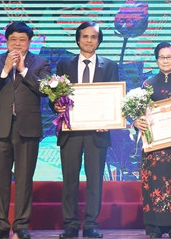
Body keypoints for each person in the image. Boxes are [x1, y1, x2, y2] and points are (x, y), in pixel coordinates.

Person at [0, 21, 51, 239]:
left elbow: (45, 90)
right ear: (7, 41)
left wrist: (23, 70)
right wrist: (5, 71)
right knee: (0, 179)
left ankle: (21, 224)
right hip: (0, 128)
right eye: (13, 39)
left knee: (24, 178)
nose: (17, 44)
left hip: (27, 128)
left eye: (22, 40)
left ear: (30, 42)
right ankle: (1, 224)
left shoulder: (40, 62)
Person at [55, 21, 119, 239]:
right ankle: (71, 224)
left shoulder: (109, 66)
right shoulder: (64, 65)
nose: (89, 40)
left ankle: (91, 224)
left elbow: (114, 98)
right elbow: (55, 97)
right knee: (69, 179)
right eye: (85, 36)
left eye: (94, 37)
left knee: (95, 180)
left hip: (97, 133)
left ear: (99, 41)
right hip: (70, 131)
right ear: (78, 39)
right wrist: (56, 105)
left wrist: (109, 119)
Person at [133, 42, 171, 238]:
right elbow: (139, 113)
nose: (165, 61)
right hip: (154, 147)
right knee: (155, 184)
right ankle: (154, 227)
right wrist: (136, 122)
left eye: (169, 57)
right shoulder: (147, 84)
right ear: (156, 59)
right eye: (161, 57)